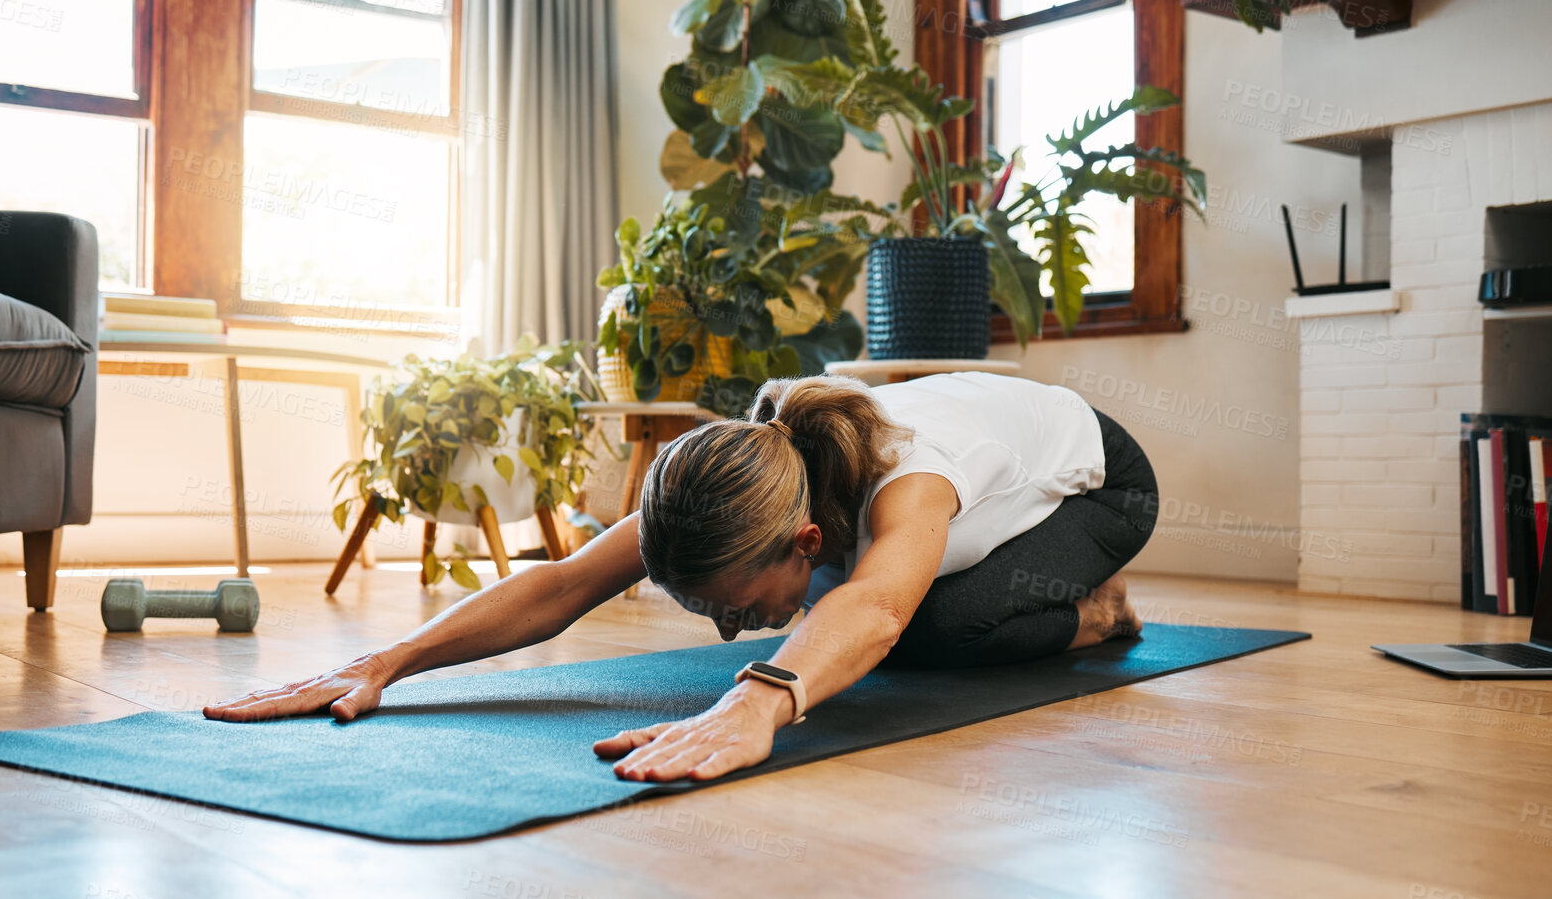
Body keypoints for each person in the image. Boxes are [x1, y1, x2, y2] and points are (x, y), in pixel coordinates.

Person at [205, 373, 1158, 783]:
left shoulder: (913, 486)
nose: (727, 632)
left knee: (926, 627)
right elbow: (565, 581)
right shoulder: (751, 472)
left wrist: (760, 699)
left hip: (1098, 485)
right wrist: (390, 659)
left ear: (806, 539)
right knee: (874, 620)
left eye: (737, 606)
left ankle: (1096, 614)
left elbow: (872, 602)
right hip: (968, 495)